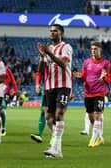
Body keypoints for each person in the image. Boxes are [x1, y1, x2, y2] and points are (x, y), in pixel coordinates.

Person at [37, 24, 73, 158]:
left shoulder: (66, 47)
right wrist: (42, 56)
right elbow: (41, 70)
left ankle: (55, 147)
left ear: (61, 33)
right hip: (49, 86)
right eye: (51, 31)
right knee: (49, 119)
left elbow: (63, 64)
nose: (52, 33)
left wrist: (49, 53)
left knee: (59, 114)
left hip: (63, 85)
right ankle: (57, 149)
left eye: (55, 31)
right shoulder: (49, 49)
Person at [73, 41, 110, 147]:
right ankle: (100, 138)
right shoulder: (86, 62)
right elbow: (84, 77)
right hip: (88, 93)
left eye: (95, 49)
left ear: (100, 50)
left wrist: (104, 78)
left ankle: (92, 140)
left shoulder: (106, 63)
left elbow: (108, 79)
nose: (93, 51)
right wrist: (79, 76)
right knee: (91, 118)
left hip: (99, 93)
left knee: (98, 115)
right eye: (92, 49)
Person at [31, 55, 53, 143]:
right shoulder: (44, 59)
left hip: (55, 89)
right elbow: (39, 72)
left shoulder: (57, 58)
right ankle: (39, 134)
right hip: (46, 89)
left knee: (51, 115)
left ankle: (56, 136)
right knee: (43, 111)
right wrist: (37, 84)